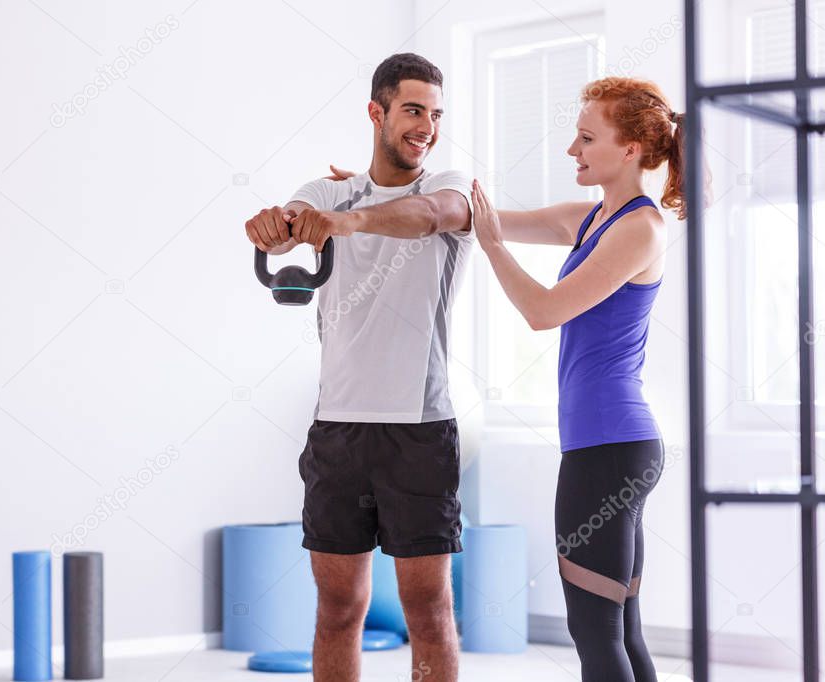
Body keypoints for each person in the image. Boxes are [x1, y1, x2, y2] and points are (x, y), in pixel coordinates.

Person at [244, 53, 474, 682]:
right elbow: (286, 225)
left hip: (418, 429)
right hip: (338, 432)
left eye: (433, 113)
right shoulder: (328, 192)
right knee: (337, 609)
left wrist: (345, 222)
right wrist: (273, 228)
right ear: (377, 112)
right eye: (411, 110)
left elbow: (429, 216)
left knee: (429, 611)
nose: (425, 125)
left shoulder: (447, 187)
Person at [471, 76, 681, 681]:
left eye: (587, 138)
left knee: (593, 629)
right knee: (617, 627)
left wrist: (491, 246)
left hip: (609, 448)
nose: (573, 151)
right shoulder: (588, 220)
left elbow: (544, 311)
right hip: (609, 445)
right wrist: (368, 198)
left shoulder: (640, 229)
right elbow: (475, 218)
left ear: (633, 149)